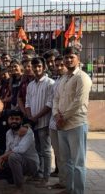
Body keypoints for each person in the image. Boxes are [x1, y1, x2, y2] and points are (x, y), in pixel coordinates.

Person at [53, 46, 92, 194]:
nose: (68, 60)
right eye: (66, 57)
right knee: (66, 161)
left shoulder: (82, 77)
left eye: (72, 57)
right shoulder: (63, 78)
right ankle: (69, 189)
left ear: (78, 59)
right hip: (61, 124)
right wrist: (56, 114)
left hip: (76, 124)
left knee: (78, 163)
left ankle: (78, 191)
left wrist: (63, 117)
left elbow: (79, 101)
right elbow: (56, 98)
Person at [0, 110, 39, 194]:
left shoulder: (28, 132)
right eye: (12, 119)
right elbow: (8, 149)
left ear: (21, 121)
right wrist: (1, 158)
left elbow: (21, 149)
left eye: (17, 119)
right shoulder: (8, 133)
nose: (14, 121)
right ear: (8, 120)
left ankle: (20, 187)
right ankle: (14, 177)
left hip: (30, 164)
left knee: (13, 156)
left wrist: (5, 156)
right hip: (15, 162)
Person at [25, 57, 54, 186]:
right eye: (34, 66)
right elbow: (27, 102)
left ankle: (46, 178)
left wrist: (35, 118)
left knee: (46, 151)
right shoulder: (30, 85)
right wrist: (30, 117)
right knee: (36, 150)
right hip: (33, 123)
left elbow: (49, 104)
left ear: (44, 67)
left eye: (39, 66)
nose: (36, 69)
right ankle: (39, 174)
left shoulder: (50, 83)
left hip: (44, 123)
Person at [48, 55, 67, 190]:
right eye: (57, 65)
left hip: (67, 121)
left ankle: (69, 184)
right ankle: (62, 181)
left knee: (68, 156)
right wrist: (55, 115)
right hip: (54, 121)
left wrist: (62, 117)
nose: (59, 67)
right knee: (58, 153)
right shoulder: (57, 82)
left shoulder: (76, 79)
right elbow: (54, 101)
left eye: (62, 65)